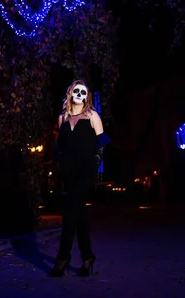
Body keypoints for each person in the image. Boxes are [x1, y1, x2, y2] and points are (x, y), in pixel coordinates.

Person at [50, 79, 110, 277]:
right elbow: (60, 145)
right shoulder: (63, 118)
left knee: (69, 213)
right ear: (70, 94)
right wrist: (58, 159)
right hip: (68, 172)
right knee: (79, 214)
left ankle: (62, 257)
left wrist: (95, 163)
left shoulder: (92, 115)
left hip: (85, 171)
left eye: (84, 93)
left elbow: (102, 142)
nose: (80, 96)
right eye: (77, 91)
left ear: (87, 97)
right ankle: (87, 257)